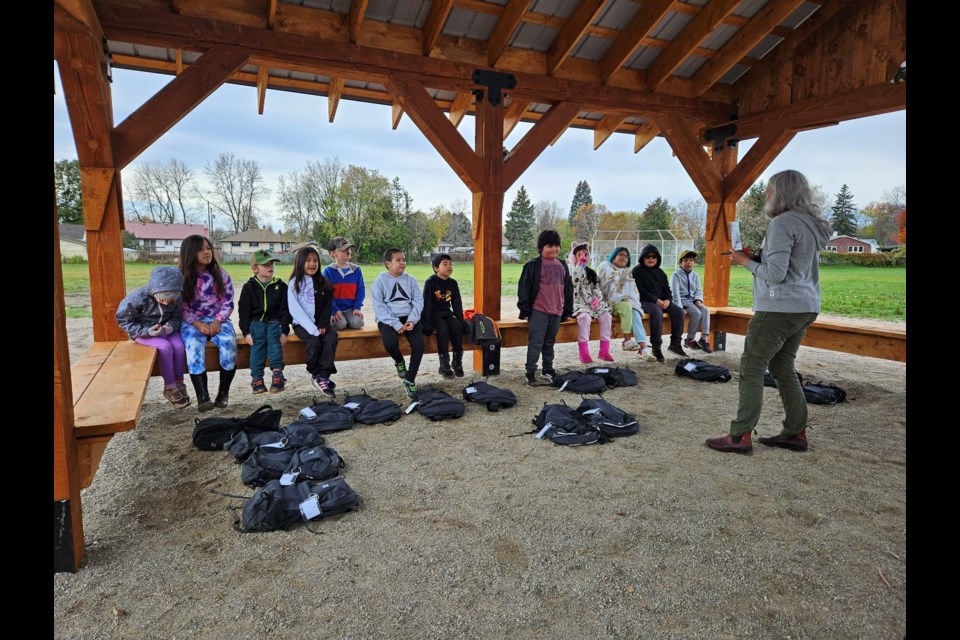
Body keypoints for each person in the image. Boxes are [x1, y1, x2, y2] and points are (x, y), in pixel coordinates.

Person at [706, 169, 832, 453]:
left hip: (779, 306)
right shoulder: (811, 223)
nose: (766, 195)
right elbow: (793, 264)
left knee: (751, 367)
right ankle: (795, 432)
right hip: (806, 304)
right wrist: (758, 257)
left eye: (769, 189)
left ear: (781, 193)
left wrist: (744, 262)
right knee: (782, 367)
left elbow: (775, 274)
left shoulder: (782, 223)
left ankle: (739, 435)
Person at [115, 266, 190, 409]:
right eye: (162, 299)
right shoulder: (138, 298)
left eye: (171, 300)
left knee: (179, 346)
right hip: (143, 332)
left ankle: (180, 382)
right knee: (165, 347)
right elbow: (123, 320)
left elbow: (177, 317)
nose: (167, 303)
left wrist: (170, 327)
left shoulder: (177, 298)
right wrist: (146, 331)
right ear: (154, 291)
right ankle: (170, 387)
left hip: (165, 330)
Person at [179, 234, 237, 412]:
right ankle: (202, 396)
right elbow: (181, 306)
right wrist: (196, 324)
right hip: (192, 322)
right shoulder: (182, 277)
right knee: (194, 345)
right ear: (190, 252)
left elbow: (228, 302)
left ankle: (223, 392)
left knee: (229, 343)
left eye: (208, 248)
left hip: (218, 320)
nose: (207, 252)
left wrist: (218, 321)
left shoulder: (221, 275)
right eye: (201, 249)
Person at [518, 229, 573, 385]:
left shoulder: (562, 265)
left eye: (556, 246)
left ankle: (548, 369)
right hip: (539, 310)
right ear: (541, 247)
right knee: (536, 342)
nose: (554, 249)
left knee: (549, 343)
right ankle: (530, 373)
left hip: (557, 311)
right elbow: (524, 288)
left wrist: (567, 310)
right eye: (550, 246)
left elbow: (568, 289)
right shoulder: (533, 265)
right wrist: (525, 310)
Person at [372, 248, 424, 398]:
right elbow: (379, 307)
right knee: (390, 343)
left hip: (409, 318)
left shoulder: (411, 280)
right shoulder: (380, 282)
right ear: (388, 263)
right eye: (398, 260)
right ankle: (399, 361)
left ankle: (410, 379)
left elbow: (418, 302)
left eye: (404, 260)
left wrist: (412, 320)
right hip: (388, 319)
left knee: (419, 345)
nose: (402, 263)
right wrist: (395, 323)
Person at [287, 246, 339, 398]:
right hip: (302, 325)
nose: (312, 264)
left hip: (321, 324)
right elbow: (295, 310)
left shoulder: (323, 282)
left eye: (315, 260)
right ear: (300, 262)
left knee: (331, 338)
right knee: (314, 343)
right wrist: (313, 329)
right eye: (308, 260)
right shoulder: (294, 283)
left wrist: (323, 325)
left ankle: (323, 376)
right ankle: (315, 372)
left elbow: (327, 307)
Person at [238, 249, 291, 395]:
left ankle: (277, 375)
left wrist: (285, 330)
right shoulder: (249, 287)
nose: (270, 267)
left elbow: (285, 310)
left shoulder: (281, 286)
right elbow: (243, 312)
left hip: (275, 322)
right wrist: (246, 332)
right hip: (257, 323)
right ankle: (257, 378)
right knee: (257, 342)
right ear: (255, 269)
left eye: (272, 263)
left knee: (274, 338)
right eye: (265, 264)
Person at [597, 246, 657, 362]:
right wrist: (619, 278)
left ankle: (644, 350)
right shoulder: (605, 265)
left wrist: (636, 306)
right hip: (607, 302)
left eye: (626, 256)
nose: (624, 258)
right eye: (621, 254)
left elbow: (633, 292)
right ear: (614, 256)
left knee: (635, 313)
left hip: (624, 303)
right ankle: (627, 339)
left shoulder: (627, 272)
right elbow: (608, 279)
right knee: (627, 305)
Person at [631, 244, 687, 362]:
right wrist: (655, 300)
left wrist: (668, 300)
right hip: (643, 301)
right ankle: (656, 347)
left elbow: (667, 289)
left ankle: (675, 344)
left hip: (661, 301)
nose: (651, 259)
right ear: (643, 258)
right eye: (648, 256)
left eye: (654, 257)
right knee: (657, 312)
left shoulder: (660, 272)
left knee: (678, 311)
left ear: (658, 259)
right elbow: (639, 290)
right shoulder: (637, 271)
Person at [567, 240, 614, 364]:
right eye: (580, 255)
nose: (583, 257)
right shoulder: (571, 270)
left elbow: (596, 288)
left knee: (606, 316)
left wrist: (596, 299)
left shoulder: (592, 273)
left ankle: (604, 351)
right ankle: (584, 352)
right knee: (584, 318)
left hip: (593, 304)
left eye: (586, 255)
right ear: (574, 257)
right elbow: (574, 282)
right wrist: (579, 267)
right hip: (578, 303)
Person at [422, 253, 466, 379]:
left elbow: (457, 303)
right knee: (443, 330)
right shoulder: (430, 282)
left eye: (450, 264)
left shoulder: (453, 283)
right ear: (436, 268)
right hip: (434, 314)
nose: (449, 267)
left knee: (456, 327)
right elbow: (426, 304)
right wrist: (426, 323)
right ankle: (444, 365)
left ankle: (457, 363)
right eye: (445, 264)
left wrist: (460, 320)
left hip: (446, 312)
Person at [671, 249, 712, 353]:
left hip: (693, 300)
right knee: (696, 313)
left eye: (691, 260)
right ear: (680, 262)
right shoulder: (676, 275)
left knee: (705, 311)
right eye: (685, 260)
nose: (689, 262)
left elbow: (698, 290)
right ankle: (689, 339)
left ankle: (704, 339)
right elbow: (675, 293)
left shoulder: (695, 275)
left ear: (694, 262)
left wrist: (698, 299)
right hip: (682, 300)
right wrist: (680, 308)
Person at [323, 236, 366, 330]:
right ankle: (331, 320)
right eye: (343, 249)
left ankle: (348, 320)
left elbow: (361, 290)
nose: (348, 251)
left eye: (349, 248)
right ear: (333, 254)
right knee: (341, 325)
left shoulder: (356, 270)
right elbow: (326, 294)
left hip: (351, 309)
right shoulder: (328, 271)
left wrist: (357, 307)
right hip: (335, 309)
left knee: (358, 323)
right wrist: (334, 310)